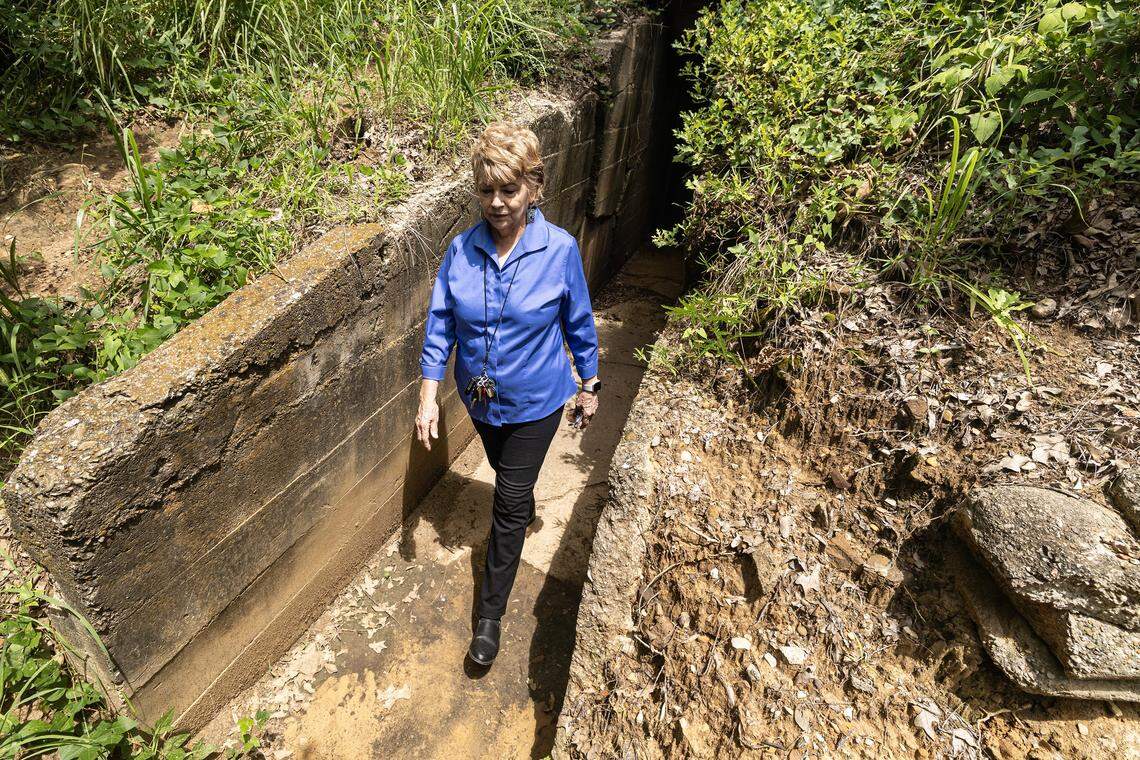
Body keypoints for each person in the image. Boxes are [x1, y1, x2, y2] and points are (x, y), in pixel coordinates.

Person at [415, 121, 602, 666]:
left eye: (509, 190)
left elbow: (579, 323)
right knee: (505, 475)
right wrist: (429, 395)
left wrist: (589, 383)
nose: (496, 203)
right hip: (480, 399)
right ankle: (518, 508)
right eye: (486, 190)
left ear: (534, 187)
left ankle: (489, 617)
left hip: (539, 402)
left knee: (510, 499)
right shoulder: (461, 251)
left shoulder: (559, 250)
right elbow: (440, 326)